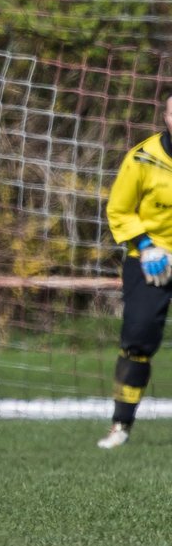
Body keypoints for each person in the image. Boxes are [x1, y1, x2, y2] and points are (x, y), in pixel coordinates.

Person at [99, 90, 172, 448]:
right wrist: (145, 245)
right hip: (150, 261)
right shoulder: (142, 158)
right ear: (165, 117)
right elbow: (119, 209)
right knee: (138, 339)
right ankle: (121, 425)